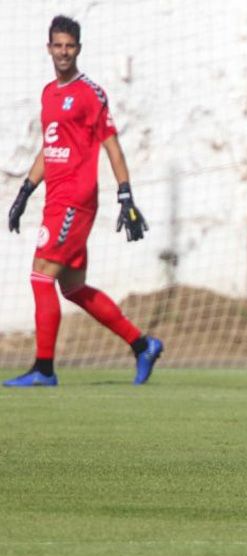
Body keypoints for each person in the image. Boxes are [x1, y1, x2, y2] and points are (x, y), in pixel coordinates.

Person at [5, 15, 163, 387]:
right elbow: (51, 146)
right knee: (72, 287)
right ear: (48, 48)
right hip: (54, 199)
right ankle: (143, 344)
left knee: (40, 276)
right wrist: (25, 191)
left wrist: (126, 195)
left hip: (75, 201)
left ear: (79, 48)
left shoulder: (90, 93)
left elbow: (112, 144)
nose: (63, 52)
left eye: (69, 46)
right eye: (57, 45)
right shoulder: (48, 93)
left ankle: (44, 369)